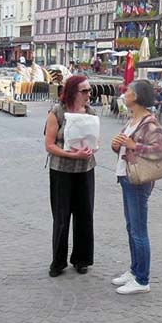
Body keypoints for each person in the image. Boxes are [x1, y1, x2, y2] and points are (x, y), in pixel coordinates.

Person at [110, 80, 162, 295]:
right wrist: (116, 145)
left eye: (128, 91)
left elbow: (161, 151)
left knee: (138, 231)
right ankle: (135, 271)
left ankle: (142, 279)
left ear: (137, 96)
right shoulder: (132, 119)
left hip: (138, 181)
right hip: (126, 177)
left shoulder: (149, 123)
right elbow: (123, 146)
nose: (124, 93)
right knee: (131, 228)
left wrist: (134, 145)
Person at [44, 75, 97, 278]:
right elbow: (49, 145)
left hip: (85, 170)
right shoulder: (57, 112)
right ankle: (58, 262)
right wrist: (71, 154)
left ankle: (81, 259)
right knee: (61, 217)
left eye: (90, 90)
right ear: (73, 91)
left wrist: (92, 149)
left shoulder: (91, 113)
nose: (89, 94)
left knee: (85, 215)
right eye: (85, 91)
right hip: (61, 172)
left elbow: (95, 141)